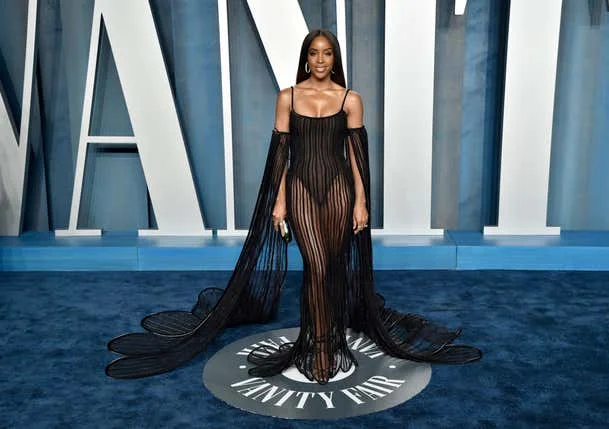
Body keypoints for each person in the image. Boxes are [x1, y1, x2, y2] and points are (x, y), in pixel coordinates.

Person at [105, 29, 481, 385]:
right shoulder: (287, 97)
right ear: (306, 59)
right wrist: (280, 201)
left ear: (335, 59)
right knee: (316, 268)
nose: (320, 59)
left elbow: (356, 157)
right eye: (314, 53)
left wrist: (362, 202)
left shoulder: (351, 99)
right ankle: (319, 348)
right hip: (300, 188)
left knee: (331, 267)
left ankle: (329, 339)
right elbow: (281, 156)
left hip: (339, 191)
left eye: (327, 53)